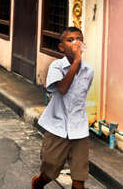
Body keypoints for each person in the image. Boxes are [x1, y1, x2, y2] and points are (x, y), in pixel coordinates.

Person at [31, 26, 94, 189]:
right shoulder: (56, 66)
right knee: (50, 172)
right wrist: (76, 61)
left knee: (79, 179)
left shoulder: (89, 70)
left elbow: (82, 96)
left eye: (79, 39)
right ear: (61, 47)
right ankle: (37, 183)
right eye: (70, 40)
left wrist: (79, 62)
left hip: (79, 129)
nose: (76, 43)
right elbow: (63, 89)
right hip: (57, 127)